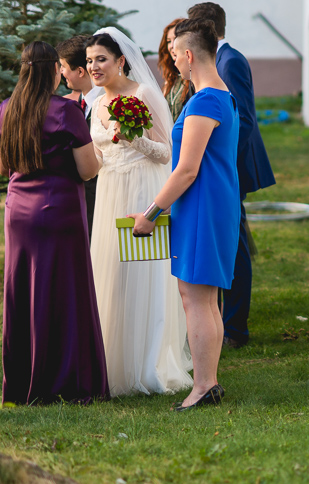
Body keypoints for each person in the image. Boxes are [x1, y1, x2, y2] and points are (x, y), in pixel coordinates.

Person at [132, 18, 239, 410]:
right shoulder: (221, 95)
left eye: (175, 53)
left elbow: (186, 170)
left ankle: (203, 385)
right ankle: (209, 382)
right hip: (212, 203)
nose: (173, 60)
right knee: (204, 298)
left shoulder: (205, 100)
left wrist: (150, 212)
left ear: (190, 55)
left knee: (195, 298)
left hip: (202, 206)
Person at [86, 28, 193, 397]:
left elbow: (167, 153)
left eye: (101, 59)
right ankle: (111, 360)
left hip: (142, 191)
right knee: (111, 273)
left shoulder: (144, 93)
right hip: (109, 192)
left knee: (142, 274)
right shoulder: (96, 103)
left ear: (120, 61)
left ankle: (146, 362)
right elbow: (97, 156)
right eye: (89, 60)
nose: (94, 66)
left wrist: (137, 139)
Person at [0, 41, 108, 406]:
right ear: (53, 72)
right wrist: (101, 154)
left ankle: (24, 382)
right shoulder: (66, 110)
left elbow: (2, 166)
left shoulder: (6, 109)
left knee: (24, 292)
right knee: (66, 292)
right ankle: (68, 381)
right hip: (60, 212)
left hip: (19, 215)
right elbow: (87, 170)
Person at [188, 2, 275, 349]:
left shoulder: (230, 61)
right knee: (231, 242)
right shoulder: (220, 59)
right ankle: (224, 320)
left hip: (230, 169)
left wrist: (221, 165)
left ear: (204, 29)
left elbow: (245, 120)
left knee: (235, 247)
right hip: (223, 169)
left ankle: (235, 327)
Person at [57, 35, 103, 238]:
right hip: (75, 202)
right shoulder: (72, 105)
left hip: (102, 198)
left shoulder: (108, 101)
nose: (61, 72)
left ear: (80, 71)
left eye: (63, 66)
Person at [159, 18, 194, 121]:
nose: (171, 46)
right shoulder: (171, 78)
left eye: (176, 39)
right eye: (168, 41)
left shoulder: (195, 77)